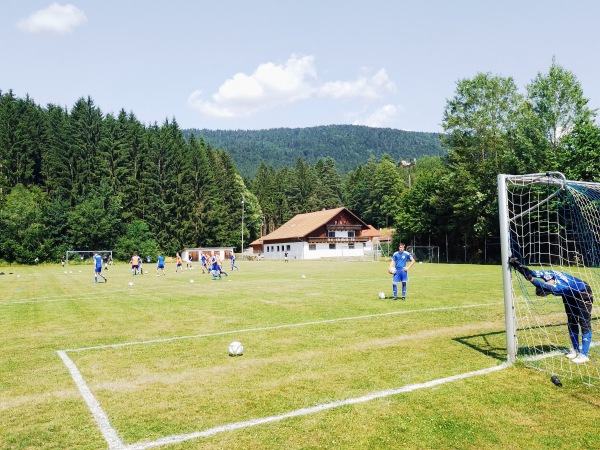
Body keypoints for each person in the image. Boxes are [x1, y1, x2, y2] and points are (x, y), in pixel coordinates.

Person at [509, 257, 593, 364]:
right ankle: (575, 349)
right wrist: (518, 265)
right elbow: (530, 272)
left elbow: (540, 284)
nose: (548, 294)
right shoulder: (547, 274)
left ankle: (584, 355)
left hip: (583, 292)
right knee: (571, 321)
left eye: (546, 294)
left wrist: (531, 279)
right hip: (569, 294)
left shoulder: (557, 289)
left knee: (584, 323)